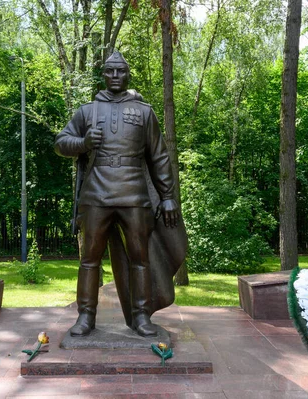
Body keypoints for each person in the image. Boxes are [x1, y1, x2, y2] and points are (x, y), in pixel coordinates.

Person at [54, 51, 185, 337]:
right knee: (89, 259)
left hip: (135, 195)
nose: (115, 76)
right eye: (110, 71)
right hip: (96, 195)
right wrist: (83, 142)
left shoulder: (144, 112)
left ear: (127, 75)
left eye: (120, 72)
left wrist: (167, 195)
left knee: (141, 258)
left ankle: (140, 317)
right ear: (103, 75)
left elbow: (159, 157)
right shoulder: (87, 111)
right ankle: (85, 316)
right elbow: (61, 142)